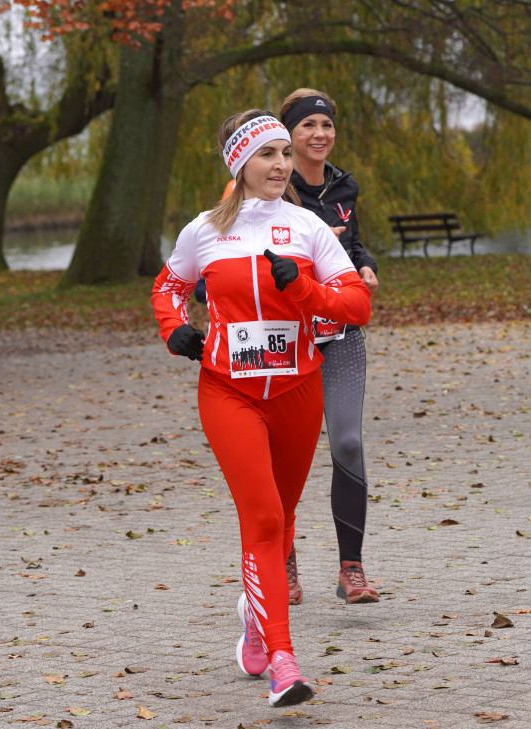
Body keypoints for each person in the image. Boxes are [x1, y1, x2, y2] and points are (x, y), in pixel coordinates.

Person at [152, 109, 371, 707]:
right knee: (265, 519)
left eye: (283, 153)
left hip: (299, 389)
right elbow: (168, 286)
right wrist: (175, 329)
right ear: (239, 164)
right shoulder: (203, 231)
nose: (280, 165)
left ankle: (256, 615)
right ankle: (283, 661)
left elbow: (355, 306)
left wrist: (301, 289)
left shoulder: (307, 228)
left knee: (284, 515)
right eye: (267, 155)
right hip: (229, 390)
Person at [279, 88, 380, 605]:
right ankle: (284, 565)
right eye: (307, 126)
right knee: (284, 460)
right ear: (288, 135)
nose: (319, 134)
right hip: (285, 342)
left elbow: (353, 240)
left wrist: (365, 267)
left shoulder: (344, 185)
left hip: (339, 334)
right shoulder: (271, 186)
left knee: (347, 444)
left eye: (326, 124)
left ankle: (352, 569)